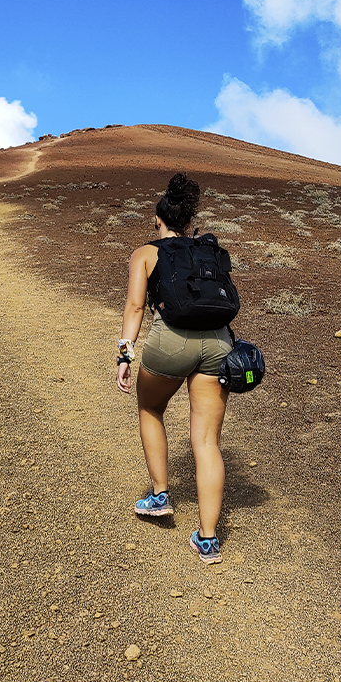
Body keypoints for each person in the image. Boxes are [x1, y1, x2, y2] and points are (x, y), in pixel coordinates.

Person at [115, 173, 233, 564]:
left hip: (171, 340)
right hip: (219, 343)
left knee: (151, 408)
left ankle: (160, 495)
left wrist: (125, 354)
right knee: (206, 441)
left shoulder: (146, 253)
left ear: (160, 222)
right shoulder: (208, 249)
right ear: (189, 222)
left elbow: (134, 308)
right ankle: (208, 540)